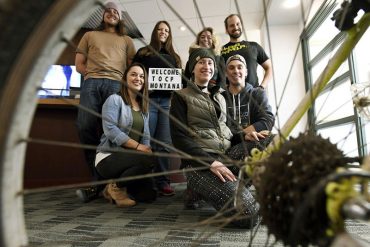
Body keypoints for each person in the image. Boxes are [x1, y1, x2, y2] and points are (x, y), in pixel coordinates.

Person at [170, 48, 259, 227]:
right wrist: (211, 162)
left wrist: (245, 136)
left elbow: (226, 131)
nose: (207, 66)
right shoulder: (181, 96)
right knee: (248, 216)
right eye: (201, 62)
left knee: (264, 143)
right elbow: (179, 139)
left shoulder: (220, 96)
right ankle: (198, 188)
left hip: (225, 156)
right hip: (199, 163)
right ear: (192, 68)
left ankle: (230, 191)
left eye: (210, 62)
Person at [75, 1, 136, 202]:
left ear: (120, 17)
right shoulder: (89, 35)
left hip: (115, 85)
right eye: (108, 11)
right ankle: (97, 178)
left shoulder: (127, 40)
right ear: (103, 15)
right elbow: (79, 65)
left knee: (112, 131)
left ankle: (107, 183)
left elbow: (131, 67)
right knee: (85, 126)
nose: (111, 13)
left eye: (115, 12)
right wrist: (91, 75)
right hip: (92, 82)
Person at [95, 63, 156, 207]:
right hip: (108, 157)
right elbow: (110, 129)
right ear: (125, 78)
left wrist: (146, 149)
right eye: (133, 74)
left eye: (141, 76)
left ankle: (112, 187)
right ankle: (115, 186)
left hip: (131, 159)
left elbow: (146, 136)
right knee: (147, 160)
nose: (138, 79)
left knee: (149, 196)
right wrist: (138, 147)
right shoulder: (114, 100)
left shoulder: (143, 107)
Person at [133, 21, 182, 196]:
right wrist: (145, 86)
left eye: (166, 30)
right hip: (149, 101)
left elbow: (180, 81)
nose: (163, 32)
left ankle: (163, 182)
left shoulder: (174, 57)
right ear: (155, 32)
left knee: (164, 143)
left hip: (167, 103)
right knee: (146, 142)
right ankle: (144, 181)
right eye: (160, 29)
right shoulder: (143, 52)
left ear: (169, 34)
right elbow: (133, 73)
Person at [222, 54, 275, 161]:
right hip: (229, 148)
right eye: (231, 68)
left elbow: (267, 121)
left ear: (246, 72)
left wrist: (241, 134)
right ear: (226, 74)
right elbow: (219, 130)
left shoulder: (257, 93)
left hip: (254, 143)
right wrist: (242, 136)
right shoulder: (219, 98)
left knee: (274, 139)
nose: (236, 71)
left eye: (239, 67)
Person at [221, 14, 272, 89]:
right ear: (226, 30)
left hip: (253, 95)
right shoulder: (221, 50)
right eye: (232, 25)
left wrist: (262, 87)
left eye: (238, 24)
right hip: (230, 97)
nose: (235, 27)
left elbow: (269, 67)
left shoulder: (254, 46)